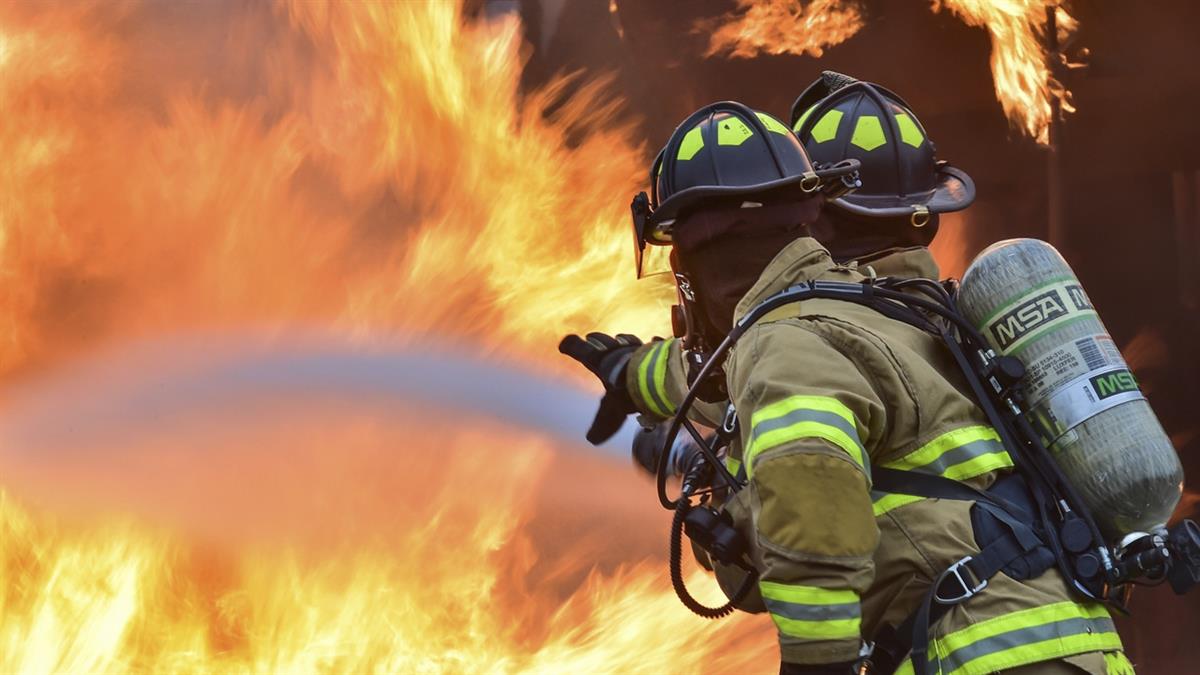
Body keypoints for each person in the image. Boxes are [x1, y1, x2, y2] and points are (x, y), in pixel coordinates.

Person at [559, 86, 1134, 675]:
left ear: (698, 263)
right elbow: (713, 374)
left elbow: (814, 531)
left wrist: (815, 667)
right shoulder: (883, 311)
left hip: (981, 657)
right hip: (1076, 647)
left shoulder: (785, 344)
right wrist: (630, 374)